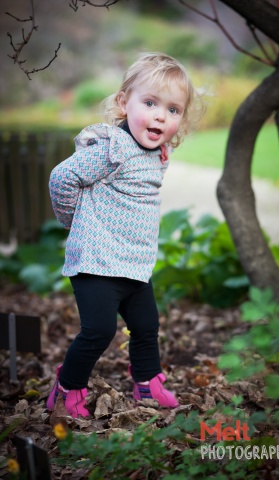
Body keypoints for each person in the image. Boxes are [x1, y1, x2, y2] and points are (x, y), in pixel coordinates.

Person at [47, 52, 204, 418]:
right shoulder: (111, 148)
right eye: (150, 103)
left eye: (173, 109)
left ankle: (147, 381)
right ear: (123, 103)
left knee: (147, 326)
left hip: (134, 262)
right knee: (99, 331)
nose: (161, 116)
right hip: (97, 261)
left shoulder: (156, 152)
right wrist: (75, 222)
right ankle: (68, 386)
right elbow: (62, 178)